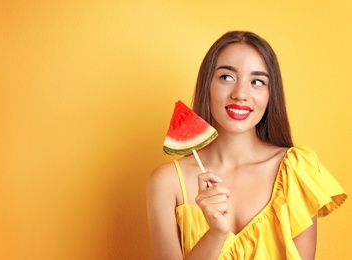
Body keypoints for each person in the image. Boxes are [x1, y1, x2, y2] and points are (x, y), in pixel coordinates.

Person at [146, 31, 347, 259]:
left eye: (258, 82)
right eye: (226, 77)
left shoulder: (297, 170)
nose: (241, 94)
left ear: (271, 95)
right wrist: (216, 234)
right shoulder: (167, 182)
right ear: (207, 85)